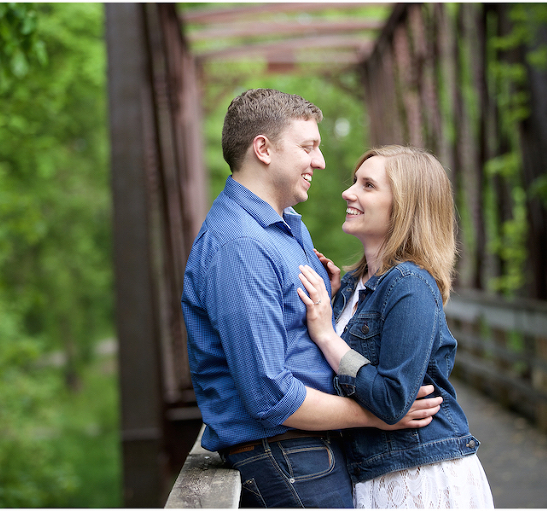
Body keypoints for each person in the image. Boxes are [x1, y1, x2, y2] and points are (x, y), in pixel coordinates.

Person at [181, 90, 443, 508]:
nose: (319, 162)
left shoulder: (287, 225)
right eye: (308, 147)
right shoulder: (240, 246)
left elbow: (294, 335)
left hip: (311, 446)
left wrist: (335, 303)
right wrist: (378, 415)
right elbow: (270, 398)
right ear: (263, 149)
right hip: (285, 451)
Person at [297, 145, 494, 508]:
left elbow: (392, 401)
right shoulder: (355, 285)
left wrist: (327, 334)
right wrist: (336, 300)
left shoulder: (410, 283)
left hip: (420, 476)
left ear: (403, 208)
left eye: (368, 185)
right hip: (376, 472)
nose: (348, 191)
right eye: (355, 180)